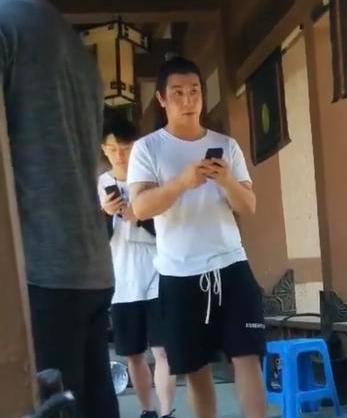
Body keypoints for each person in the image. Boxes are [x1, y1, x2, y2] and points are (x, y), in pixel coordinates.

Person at [127, 56, 266, 418]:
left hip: (231, 264)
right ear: (162, 98)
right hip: (179, 272)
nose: (188, 100)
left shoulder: (226, 145)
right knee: (195, 368)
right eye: (178, 93)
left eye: (194, 91)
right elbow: (140, 207)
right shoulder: (148, 148)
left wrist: (226, 180)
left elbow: (248, 204)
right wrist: (181, 182)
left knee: (247, 356)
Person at [0, 1, 118, 418]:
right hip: (88, 264)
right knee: (92, 404)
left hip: (37, 266)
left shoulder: (5, 23)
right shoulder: (75, 48)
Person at [98, 114, 177, 418]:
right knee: (132, 353)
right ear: (103, 150)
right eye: (113, 149)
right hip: (121, 279)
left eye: (126, 148)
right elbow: (93, 239)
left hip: (157, 271)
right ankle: (148, 411)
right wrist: (105, 214)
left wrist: (139, 215)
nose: (120, 155)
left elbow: (169, 225)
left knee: (163, 349)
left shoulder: (150, 180)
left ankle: (167, 411)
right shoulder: (99, 185)